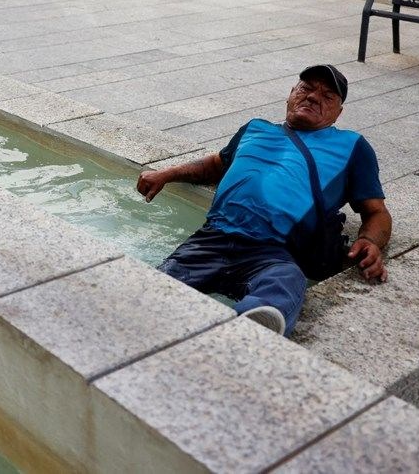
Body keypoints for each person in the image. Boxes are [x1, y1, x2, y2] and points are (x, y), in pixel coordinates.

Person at [136, 65, 391, 337]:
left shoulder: (352, 146)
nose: (313, 97)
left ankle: (249, 331)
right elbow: (216, 165)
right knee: (153, 290)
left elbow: (376, 212)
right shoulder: (255, 128)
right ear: (291, 95)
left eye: (328, 96)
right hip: (212, 239)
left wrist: (370, 241)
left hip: (273, 252)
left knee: (286, 281)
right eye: (306, 88)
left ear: (338, 113)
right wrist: (167, 174)